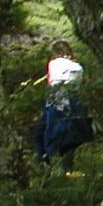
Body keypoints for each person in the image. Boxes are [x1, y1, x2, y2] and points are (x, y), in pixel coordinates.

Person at [30, 40, 94, 171]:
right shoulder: (78, 67)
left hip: (56, 102)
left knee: (46, 135)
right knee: (70, 138)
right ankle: (65, 168)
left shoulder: (53, 64)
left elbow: (51, 83)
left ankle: (46, 164)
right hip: (74, 104)